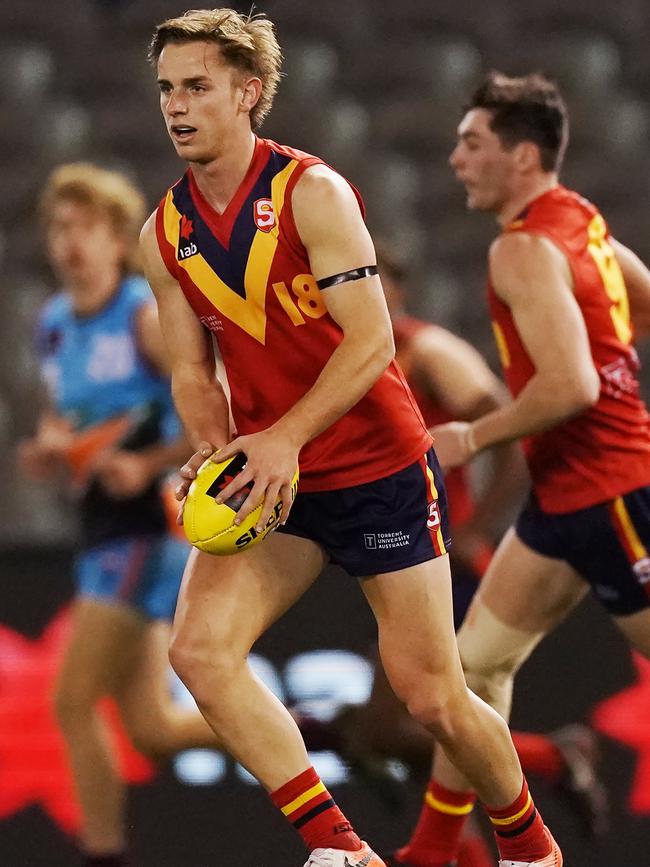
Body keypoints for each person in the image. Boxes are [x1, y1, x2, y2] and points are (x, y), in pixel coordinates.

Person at [141, 10, 561, 867]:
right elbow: (191, 368)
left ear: (247, 93)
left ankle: (529, 847)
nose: (176, 106)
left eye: (196, 86)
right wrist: (213, 445)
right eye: (165, 89)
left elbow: (372, 343)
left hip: (374, 468)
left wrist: (284, 438)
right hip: (273, 479)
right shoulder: (165, 233)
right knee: (199, 651)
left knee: (433, 696)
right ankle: (342, 849)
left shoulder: (312, 193)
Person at [391, 70, 650, 867]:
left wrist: (472, 434)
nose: (456, 159)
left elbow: (569, 386)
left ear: (524, 156)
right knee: (470, 670)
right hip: (564, 498)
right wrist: (613, 357)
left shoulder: (521, 247)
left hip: (610, 493)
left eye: (473, 144)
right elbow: (638, 301)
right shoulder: (580, 222)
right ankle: (435, 850)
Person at [19, 163, 221, 867]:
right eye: (61, 227)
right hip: (99, 524)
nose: (71, 242)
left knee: (72, 700)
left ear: (115, 240)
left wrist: (151, 460)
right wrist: (54, 446)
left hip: (149, 524)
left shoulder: (140, 315)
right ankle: (315, 732)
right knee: (153, 726)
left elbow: (206, 404)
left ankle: (103, 857)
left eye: (89, 228)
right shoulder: (52, 324)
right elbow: (70, 415)